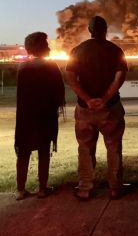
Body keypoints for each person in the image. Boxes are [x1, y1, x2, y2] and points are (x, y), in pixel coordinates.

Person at [66, 16, 128, 200]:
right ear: (105, 30)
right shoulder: (115, 50)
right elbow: (120, 77)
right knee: (114, 147)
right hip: (110, 109)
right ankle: (115, 188)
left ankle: (85, 188)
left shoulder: (77, 51)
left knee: (85, 148)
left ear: (89, 30)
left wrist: (87, 99)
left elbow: (70, 77)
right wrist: (105, 98)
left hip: (84, 110)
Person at [15, 32, 65, 200]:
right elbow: (59, 94)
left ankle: (20, 190)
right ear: (43, 48)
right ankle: (42, 189)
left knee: (23, 152)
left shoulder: (22, 68)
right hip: (45, 116)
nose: (49, 47)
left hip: (25, 117)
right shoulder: (52, 67)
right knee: (44, 150)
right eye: (46, 44)